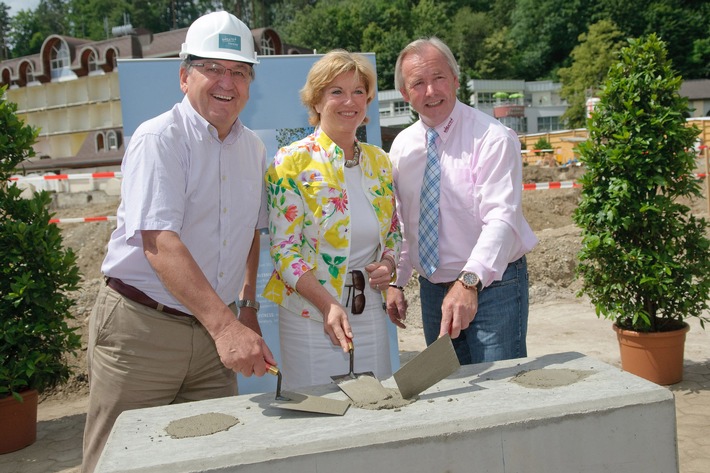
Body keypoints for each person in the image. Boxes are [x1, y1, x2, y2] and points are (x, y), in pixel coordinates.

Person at [81, 11, 276, 473]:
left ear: (250, 83)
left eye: (239, 71)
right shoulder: (160, 139)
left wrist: (245, 307)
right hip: (141, 332)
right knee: (120, 461)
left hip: (213, 332)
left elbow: (251, 231)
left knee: (213, 457)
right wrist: (228, 328)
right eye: (213, 68)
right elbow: (159, 243)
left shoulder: (253, 149)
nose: (226, 82)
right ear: (184, 75)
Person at [386, 37, 538, 366]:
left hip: (492, 287)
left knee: (499, 392)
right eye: (418, 83)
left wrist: (468, 282)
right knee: (451, 393)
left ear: (455, 80)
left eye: (439, 78)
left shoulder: (493, 138)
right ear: (404, 94)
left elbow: (501, 220)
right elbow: (405, 223)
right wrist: (398, 280)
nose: (431, 91)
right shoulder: (401, 148)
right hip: (433, 291)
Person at [263, 50, 401, 390]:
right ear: (317, 100)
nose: (349, 101)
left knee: (377, 407)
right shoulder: (290, 161)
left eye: (358, 91)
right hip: (311, 314)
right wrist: (328, 305)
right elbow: (284, 252)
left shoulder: (379, 161)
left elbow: (393, 232)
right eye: (336, 91)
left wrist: (389, 263)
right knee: (319, 416)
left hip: (368, 309)